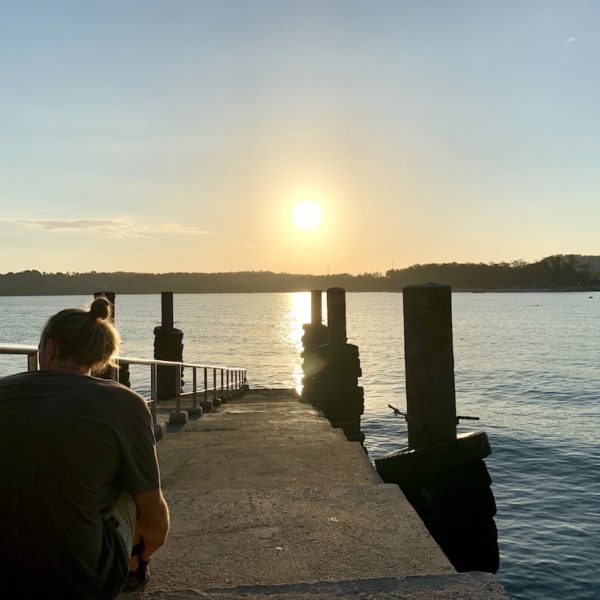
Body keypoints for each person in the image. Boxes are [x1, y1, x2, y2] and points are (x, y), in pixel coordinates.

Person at [0, 297, 170, 599]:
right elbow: (155, 522)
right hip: (80, 578)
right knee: (132, 491)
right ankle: (132, 573)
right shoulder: (125, 403)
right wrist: (143, 551)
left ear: (49, 349)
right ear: (101, 356)